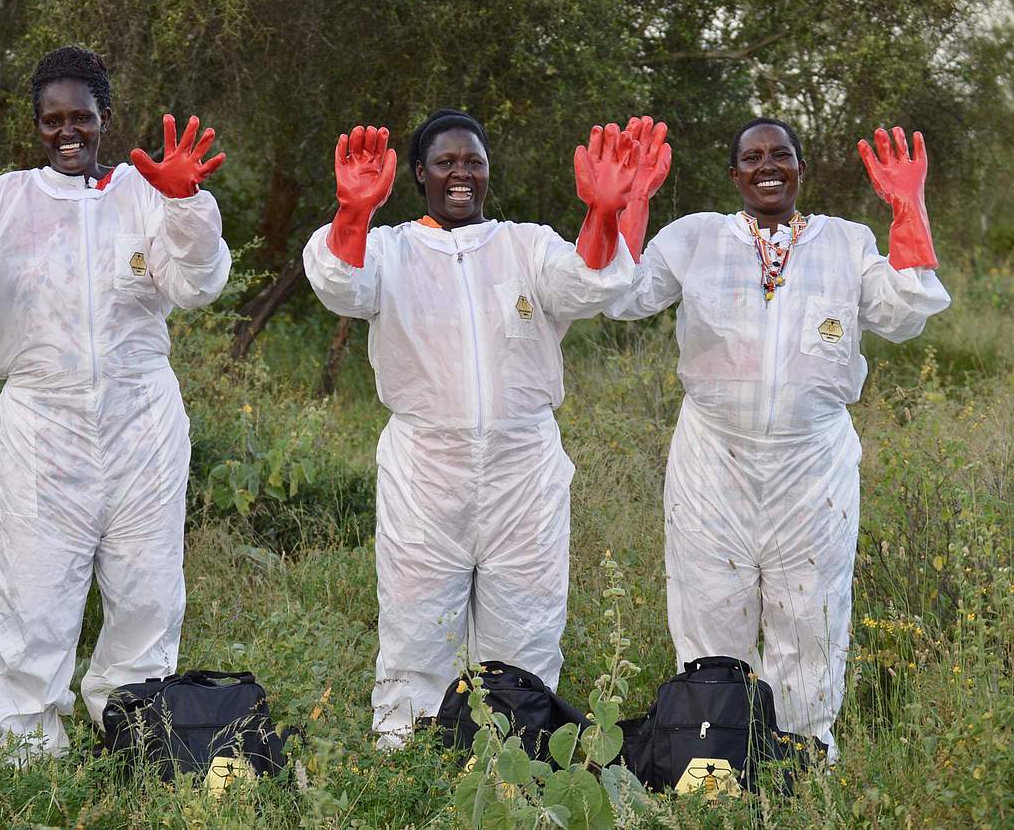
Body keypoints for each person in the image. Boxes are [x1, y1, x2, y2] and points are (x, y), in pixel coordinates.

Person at [0, 46, 232, 758]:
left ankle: (138, 730)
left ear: (106, 117)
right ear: (37, 125)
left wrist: (184, 203)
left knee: (147, 590)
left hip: (144, 422)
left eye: (82, 116)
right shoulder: (6, 202)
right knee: (36, 591)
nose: (68, 131)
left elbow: (197, 285)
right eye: (54, 119)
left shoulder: (142, 193)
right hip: (43, 427)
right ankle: (22, 744)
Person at [302, 109, 670, 745]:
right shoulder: (390, 248)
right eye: (445, 162)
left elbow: (587, 286)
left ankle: (516, 754)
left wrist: (607, 213)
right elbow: (341, 283)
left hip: (523, 466)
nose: (461, 173)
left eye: (473, 161)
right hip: (426, 466)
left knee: (525, 622)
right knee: (419, 622)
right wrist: (353, 211)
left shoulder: (525, 244)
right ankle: (409, 753)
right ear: (418, 173)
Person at [604, 118, 950, 758]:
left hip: (813, 461)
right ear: (734, 173)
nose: (768, 165)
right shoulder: (697, 238)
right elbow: (622, 296)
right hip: (713, 457)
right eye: (752, 156)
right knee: (709, 608)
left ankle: (803, 760)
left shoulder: (846, 243)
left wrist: (909, 204)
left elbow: (905, 312)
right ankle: (712, 759)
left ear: (800, 169)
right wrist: (627, 202)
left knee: (811, 614)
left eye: (782, 155)